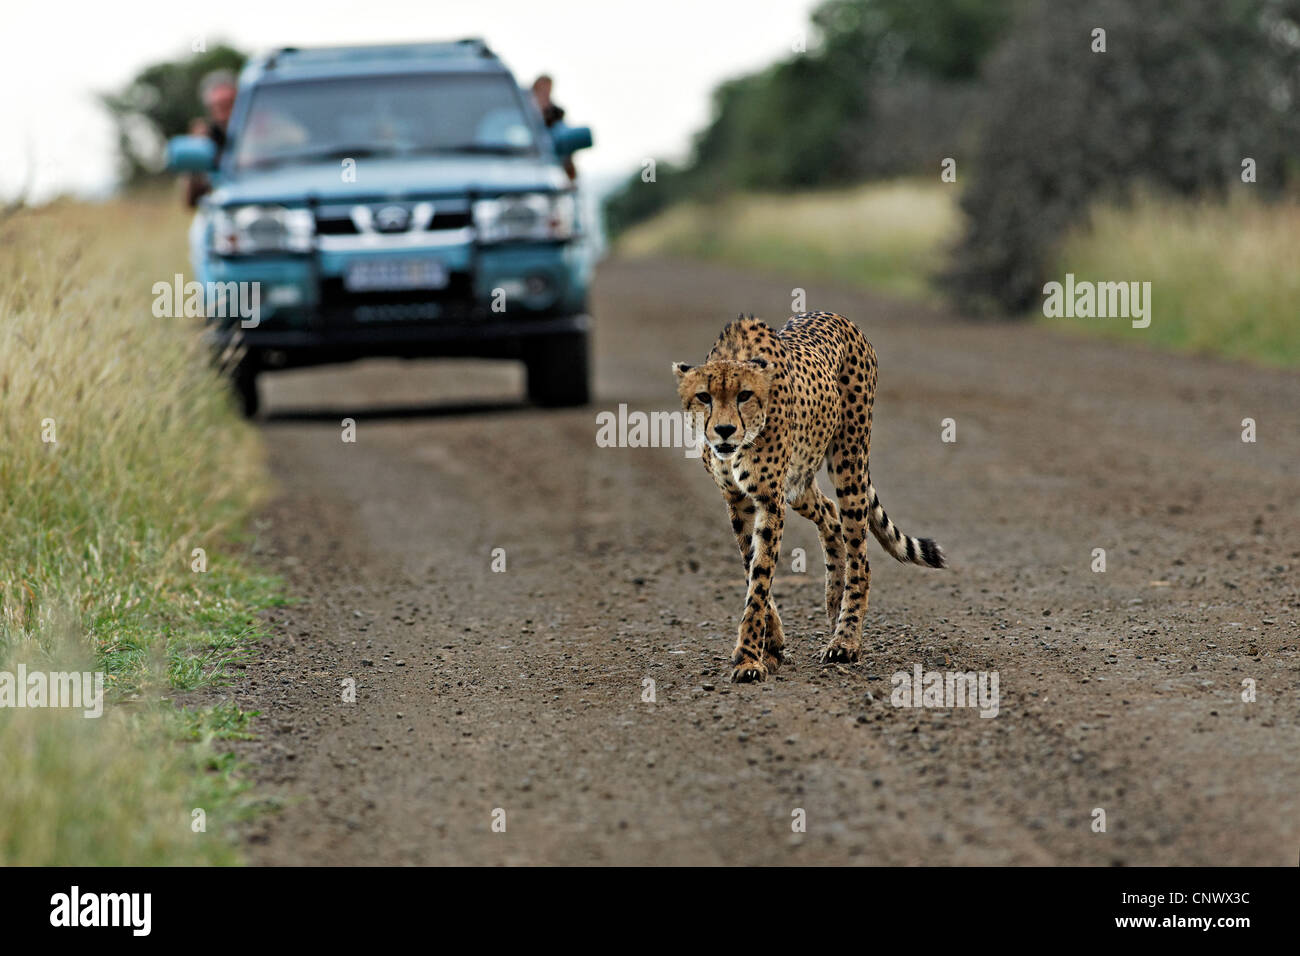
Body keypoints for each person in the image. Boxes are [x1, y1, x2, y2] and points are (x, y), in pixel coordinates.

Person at [184, 69, 237, 207]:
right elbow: (191, 200)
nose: (224, 116)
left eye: (229, 105)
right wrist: (195, 151)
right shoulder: (206, 139)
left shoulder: (261, 131)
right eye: (217, 107)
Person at [531, 74, 576, 181]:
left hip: (553, 172)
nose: (544, 98)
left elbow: (567, 154)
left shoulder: (556, 118)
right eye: (540, 93)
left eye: (547, 93)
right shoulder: (517, 116)